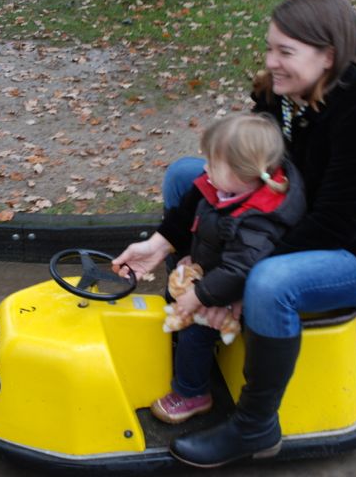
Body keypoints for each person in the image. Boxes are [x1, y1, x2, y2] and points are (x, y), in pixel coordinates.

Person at [114, 0, 356, 468]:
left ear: (328, 56)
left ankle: (255, 426)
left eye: (285, 52)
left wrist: (232, 287)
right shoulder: (278, 96)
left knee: (269, 281)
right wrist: (163, 242)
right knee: (185, 174)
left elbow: (333, 227)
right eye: (269, 48)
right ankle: (195, 319)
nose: (271, 62)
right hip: (291, 216)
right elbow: (233, 172)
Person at [123, 113, 305, 425]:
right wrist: (189, 258)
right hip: (213, 277)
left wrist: (200, 296)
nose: (205, 168)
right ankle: (183, 347)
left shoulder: (256, 220)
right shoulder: (226, 191)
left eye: (213, 164)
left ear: (242, 173)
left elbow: (239, 269)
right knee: (179, 303)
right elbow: (207, 233)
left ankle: (192, 392)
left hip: (233, 291)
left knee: (196, 331)